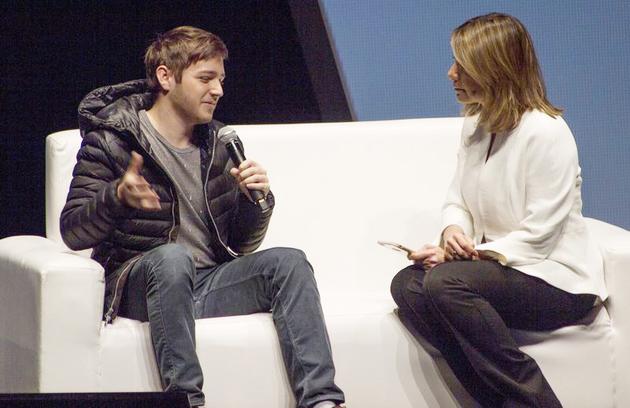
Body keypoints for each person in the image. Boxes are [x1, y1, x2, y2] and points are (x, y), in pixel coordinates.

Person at [60, 26, 346, 408]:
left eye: (221, 80)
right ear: (166, 77)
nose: (218, 90)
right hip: (140, 281)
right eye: (206, 78)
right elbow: (73, 231)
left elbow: (240, 245)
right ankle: (187, 401)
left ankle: (323, 401)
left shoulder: (218, 141)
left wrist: (255, 201)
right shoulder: (113, 139)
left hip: (206, 281)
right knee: (172, 259)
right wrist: (115, 197)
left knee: (289, 262)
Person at [390, 13, 607, 408]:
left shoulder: (547, 132)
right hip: (502, 270)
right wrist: (453, 234)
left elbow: (538, 237)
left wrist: (466, 256)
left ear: (493, 68)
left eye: (462, 65)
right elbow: (457, 199)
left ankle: (535, 401)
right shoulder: (477, 124)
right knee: (408, 285)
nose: (451, 74)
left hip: (555, 279)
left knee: (444, 282)